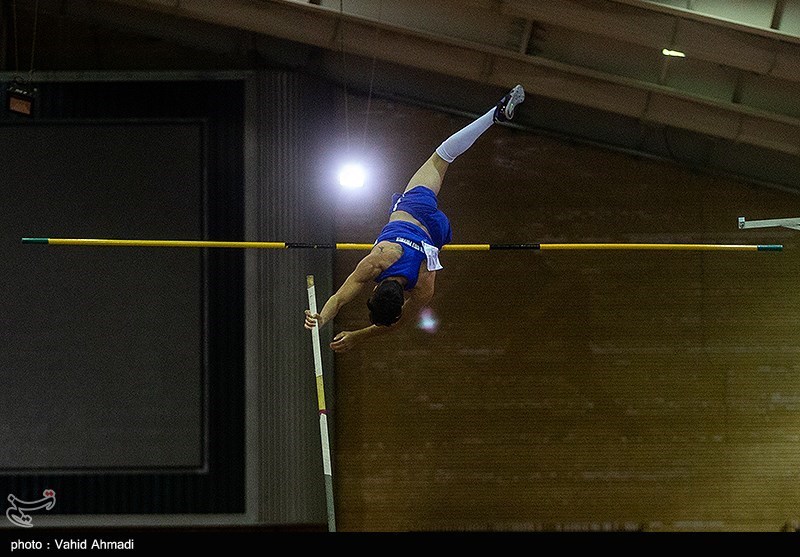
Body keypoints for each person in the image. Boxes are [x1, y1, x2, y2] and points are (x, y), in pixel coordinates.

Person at [305, 85, 525, 352]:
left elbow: (398, 323)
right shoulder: (378, 261)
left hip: (436, 233)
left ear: (400, 303)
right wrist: (321, 317)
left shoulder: (423, 287)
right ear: (374, 292)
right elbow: (339, 298)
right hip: (413, 211)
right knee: (442, 156)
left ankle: (496, 113)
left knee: (444, 158)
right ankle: (496, 113)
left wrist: (357, 336)